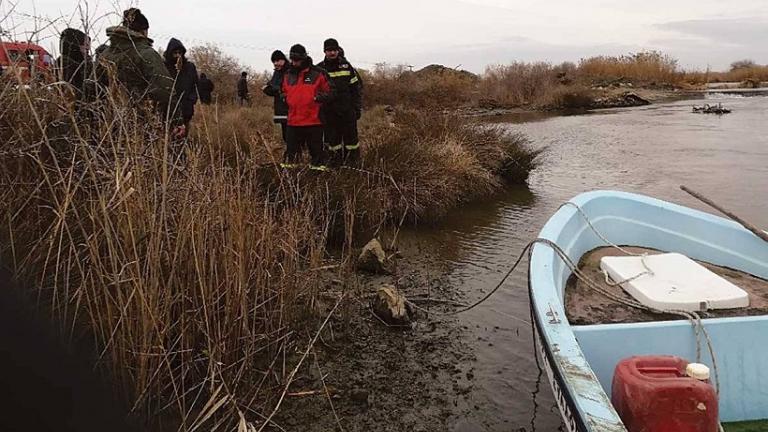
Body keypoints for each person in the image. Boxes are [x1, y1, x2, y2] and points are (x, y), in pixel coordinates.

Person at [97, 8, 183, 136]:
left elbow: (93, 86)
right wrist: (176, 119)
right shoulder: (146, 54)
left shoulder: (105, 54)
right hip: (140, 124)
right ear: (144, 31)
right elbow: (164, 89)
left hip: (107, 124)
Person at [281, 44, 333, 171]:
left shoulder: (319, 73)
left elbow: (331, 92)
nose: (294, 62)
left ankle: (318, 181)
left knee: (317, 157)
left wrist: (317, 98)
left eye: (297, 60)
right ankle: (291, 181)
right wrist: (285, 98)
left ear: (304, 58)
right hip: (293, 121)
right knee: (291, 158)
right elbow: (283, 91)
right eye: (292, 59)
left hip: (313, 121)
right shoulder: (287, 74)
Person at [316, 38, 362, 165]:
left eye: (334, 50)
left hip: (347, 111)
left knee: (352, 141)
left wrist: (357, 108)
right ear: (324, 51)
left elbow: (356, 88)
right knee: (333, 142)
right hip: (329, 112)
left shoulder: (346, 66)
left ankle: (353, 165)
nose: (332, 53)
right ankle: (336, 166)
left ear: (338, 50)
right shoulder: (319, 69)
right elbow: (315, 93)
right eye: (329, 50)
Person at [164, 38, 199, 129]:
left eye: (180, 53)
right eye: (175, 53)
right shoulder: (164, 67)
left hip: (186, 109)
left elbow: (195, 85)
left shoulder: (189, 67)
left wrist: (191, 100)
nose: (177, 56)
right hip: (168, 110)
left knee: (184, 135)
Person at [262, 50, 289, 143]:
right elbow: (272, 86)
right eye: (274, 62)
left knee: (293, 136)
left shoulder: (290, 72)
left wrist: (271, 88)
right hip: (281, 109)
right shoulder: (277, 73)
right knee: (285, 136)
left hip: (291, 109)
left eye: (278, 61)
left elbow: (282, 88)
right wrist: (268, 89)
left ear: (283, 60)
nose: (275, 64)